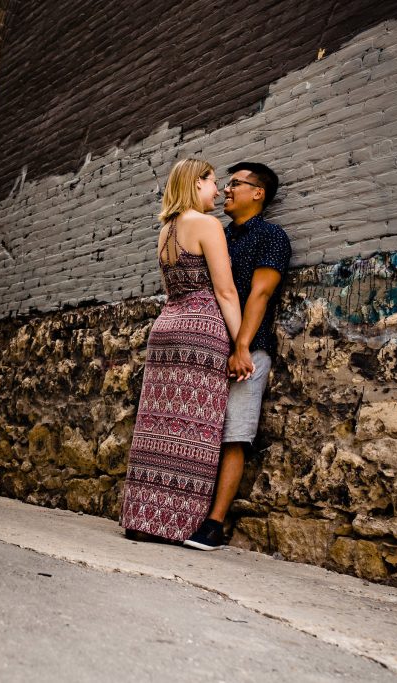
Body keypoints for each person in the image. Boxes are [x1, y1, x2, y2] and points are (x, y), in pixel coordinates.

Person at [120, 158, 248, 543]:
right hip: (200, 333)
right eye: (212, 183)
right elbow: (225, 291)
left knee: (157, 426)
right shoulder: (207, 225)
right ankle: (177, 524)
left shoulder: (166, 231)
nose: (217, 191)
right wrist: (241, 344)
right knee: (194, 430)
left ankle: (143, 519)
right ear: (196, 184)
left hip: (165, 330)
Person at [183, 162, 291, 551]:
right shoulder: (217, 235)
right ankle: (183, 511)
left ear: (258, 192)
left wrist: (242, 346)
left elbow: (259, 295)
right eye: (225, 185)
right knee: (196, 429)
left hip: (248, 348)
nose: (227, 190)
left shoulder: (272, 237)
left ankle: (214, 525)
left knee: (234, 435)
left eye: (236, 185)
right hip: (208, 345)